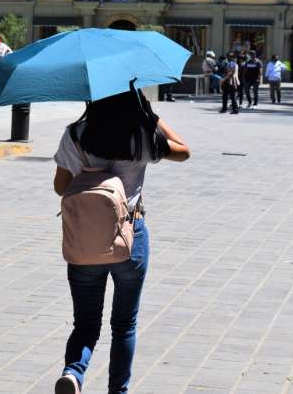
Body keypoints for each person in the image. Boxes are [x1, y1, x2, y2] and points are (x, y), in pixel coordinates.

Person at [52, 89, 191, 394]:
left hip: (85, 240)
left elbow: (61, 187)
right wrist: (153, 118)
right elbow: (184, 151)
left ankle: (73, 374)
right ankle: (118, 391)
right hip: (131, 236)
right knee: (124, 324)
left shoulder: (76, 134)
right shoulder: (141, 133)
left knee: (86, 323)